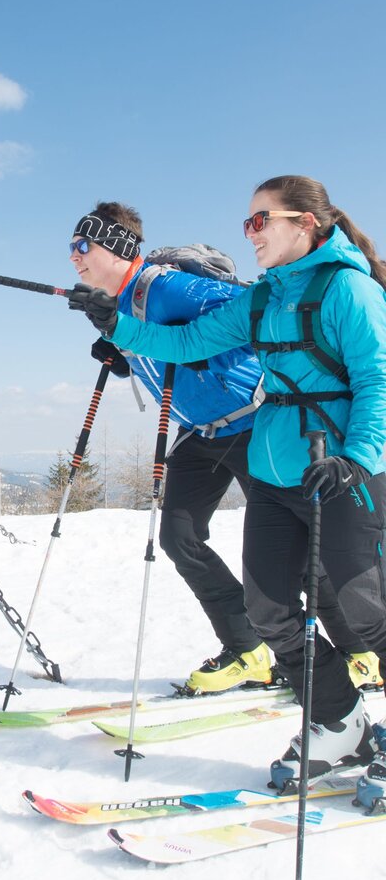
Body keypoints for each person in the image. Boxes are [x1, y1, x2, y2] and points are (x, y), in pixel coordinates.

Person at [68, 177, 386, 797]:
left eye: (261, 222)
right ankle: (340, 720)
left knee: (364, 611)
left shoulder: (348, 288)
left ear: (306, 225)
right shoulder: (264, 296)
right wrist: (119, 329)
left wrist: (357, 456)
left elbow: (379, 377)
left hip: (342, 468)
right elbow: (187, 342)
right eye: (248, 223)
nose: (252, 234)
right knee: (270, 610)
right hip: (272, 470)